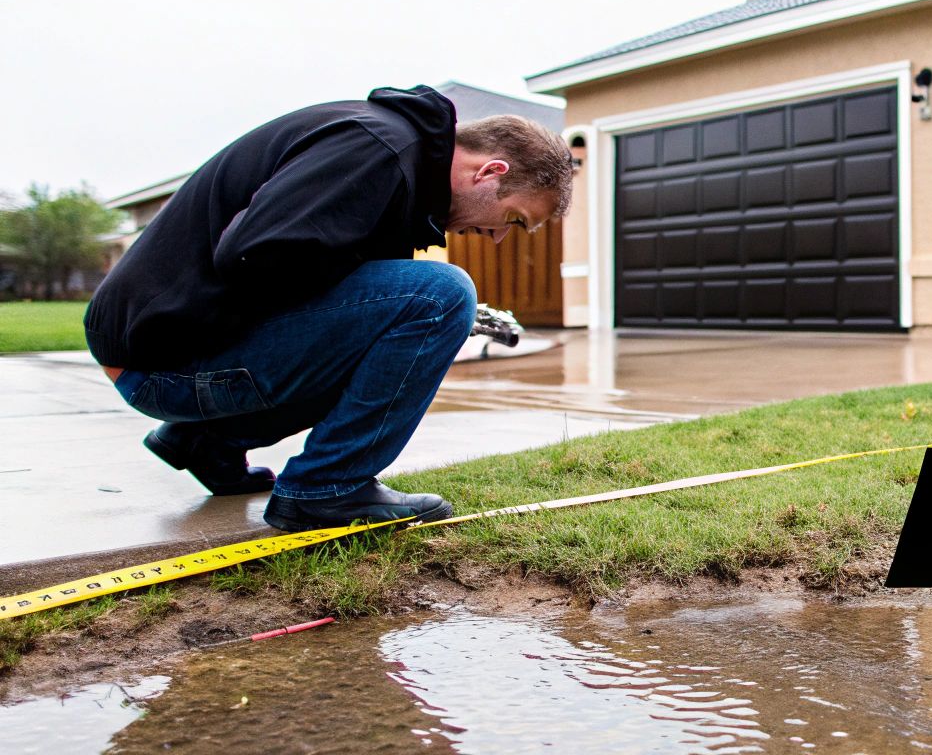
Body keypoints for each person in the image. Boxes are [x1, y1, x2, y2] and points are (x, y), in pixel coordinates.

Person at [85, 85, 572, 531]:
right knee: (441, 293)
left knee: (409, 319)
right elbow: (252, 253)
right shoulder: (377, 148)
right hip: (164, 364)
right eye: (513, 218)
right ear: (490, 172)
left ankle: (208, 441)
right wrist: (375, 316)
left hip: (161, 357)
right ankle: (326, 488)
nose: (499, 236)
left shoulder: (394, 159)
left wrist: (367, 318)